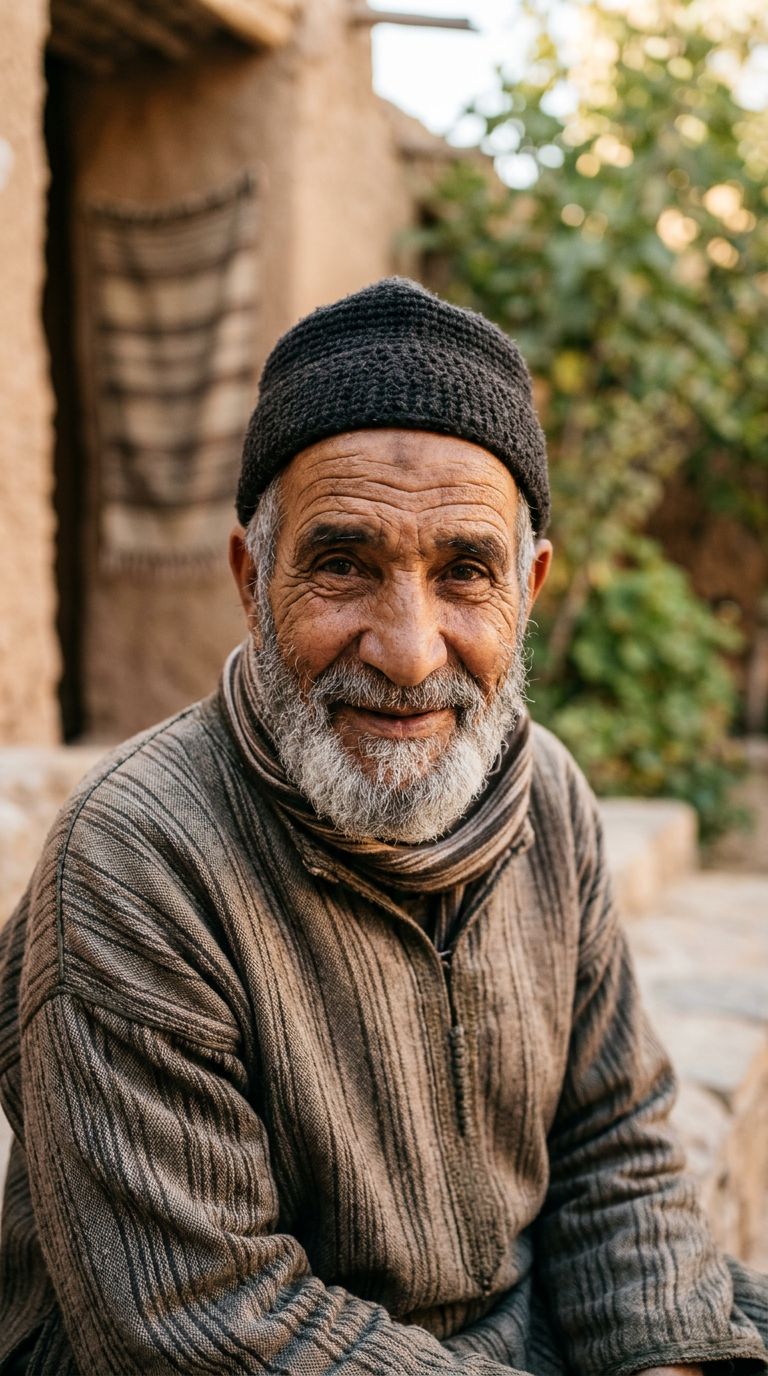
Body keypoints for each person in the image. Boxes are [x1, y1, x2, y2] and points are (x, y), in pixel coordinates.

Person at [0, 277, 766, 1376]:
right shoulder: (136, 861)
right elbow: (202, 1318)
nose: (409, 650)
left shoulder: (545, 795)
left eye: (464, 572)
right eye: (345, 565)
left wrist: (664, 1359)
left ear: (530, 587)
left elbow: (613, 1145)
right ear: (251, 578)